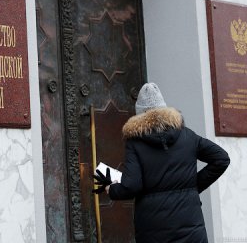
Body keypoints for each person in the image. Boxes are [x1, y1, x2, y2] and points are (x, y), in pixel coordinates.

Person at [93, 82, 230, 243]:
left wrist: (112, 189)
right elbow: (221, 159)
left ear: (139, 113)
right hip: (191, 230)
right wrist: (192, 186)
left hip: (154, 232)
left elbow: (132, 186)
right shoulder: (188, 136)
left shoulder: (136, 142)